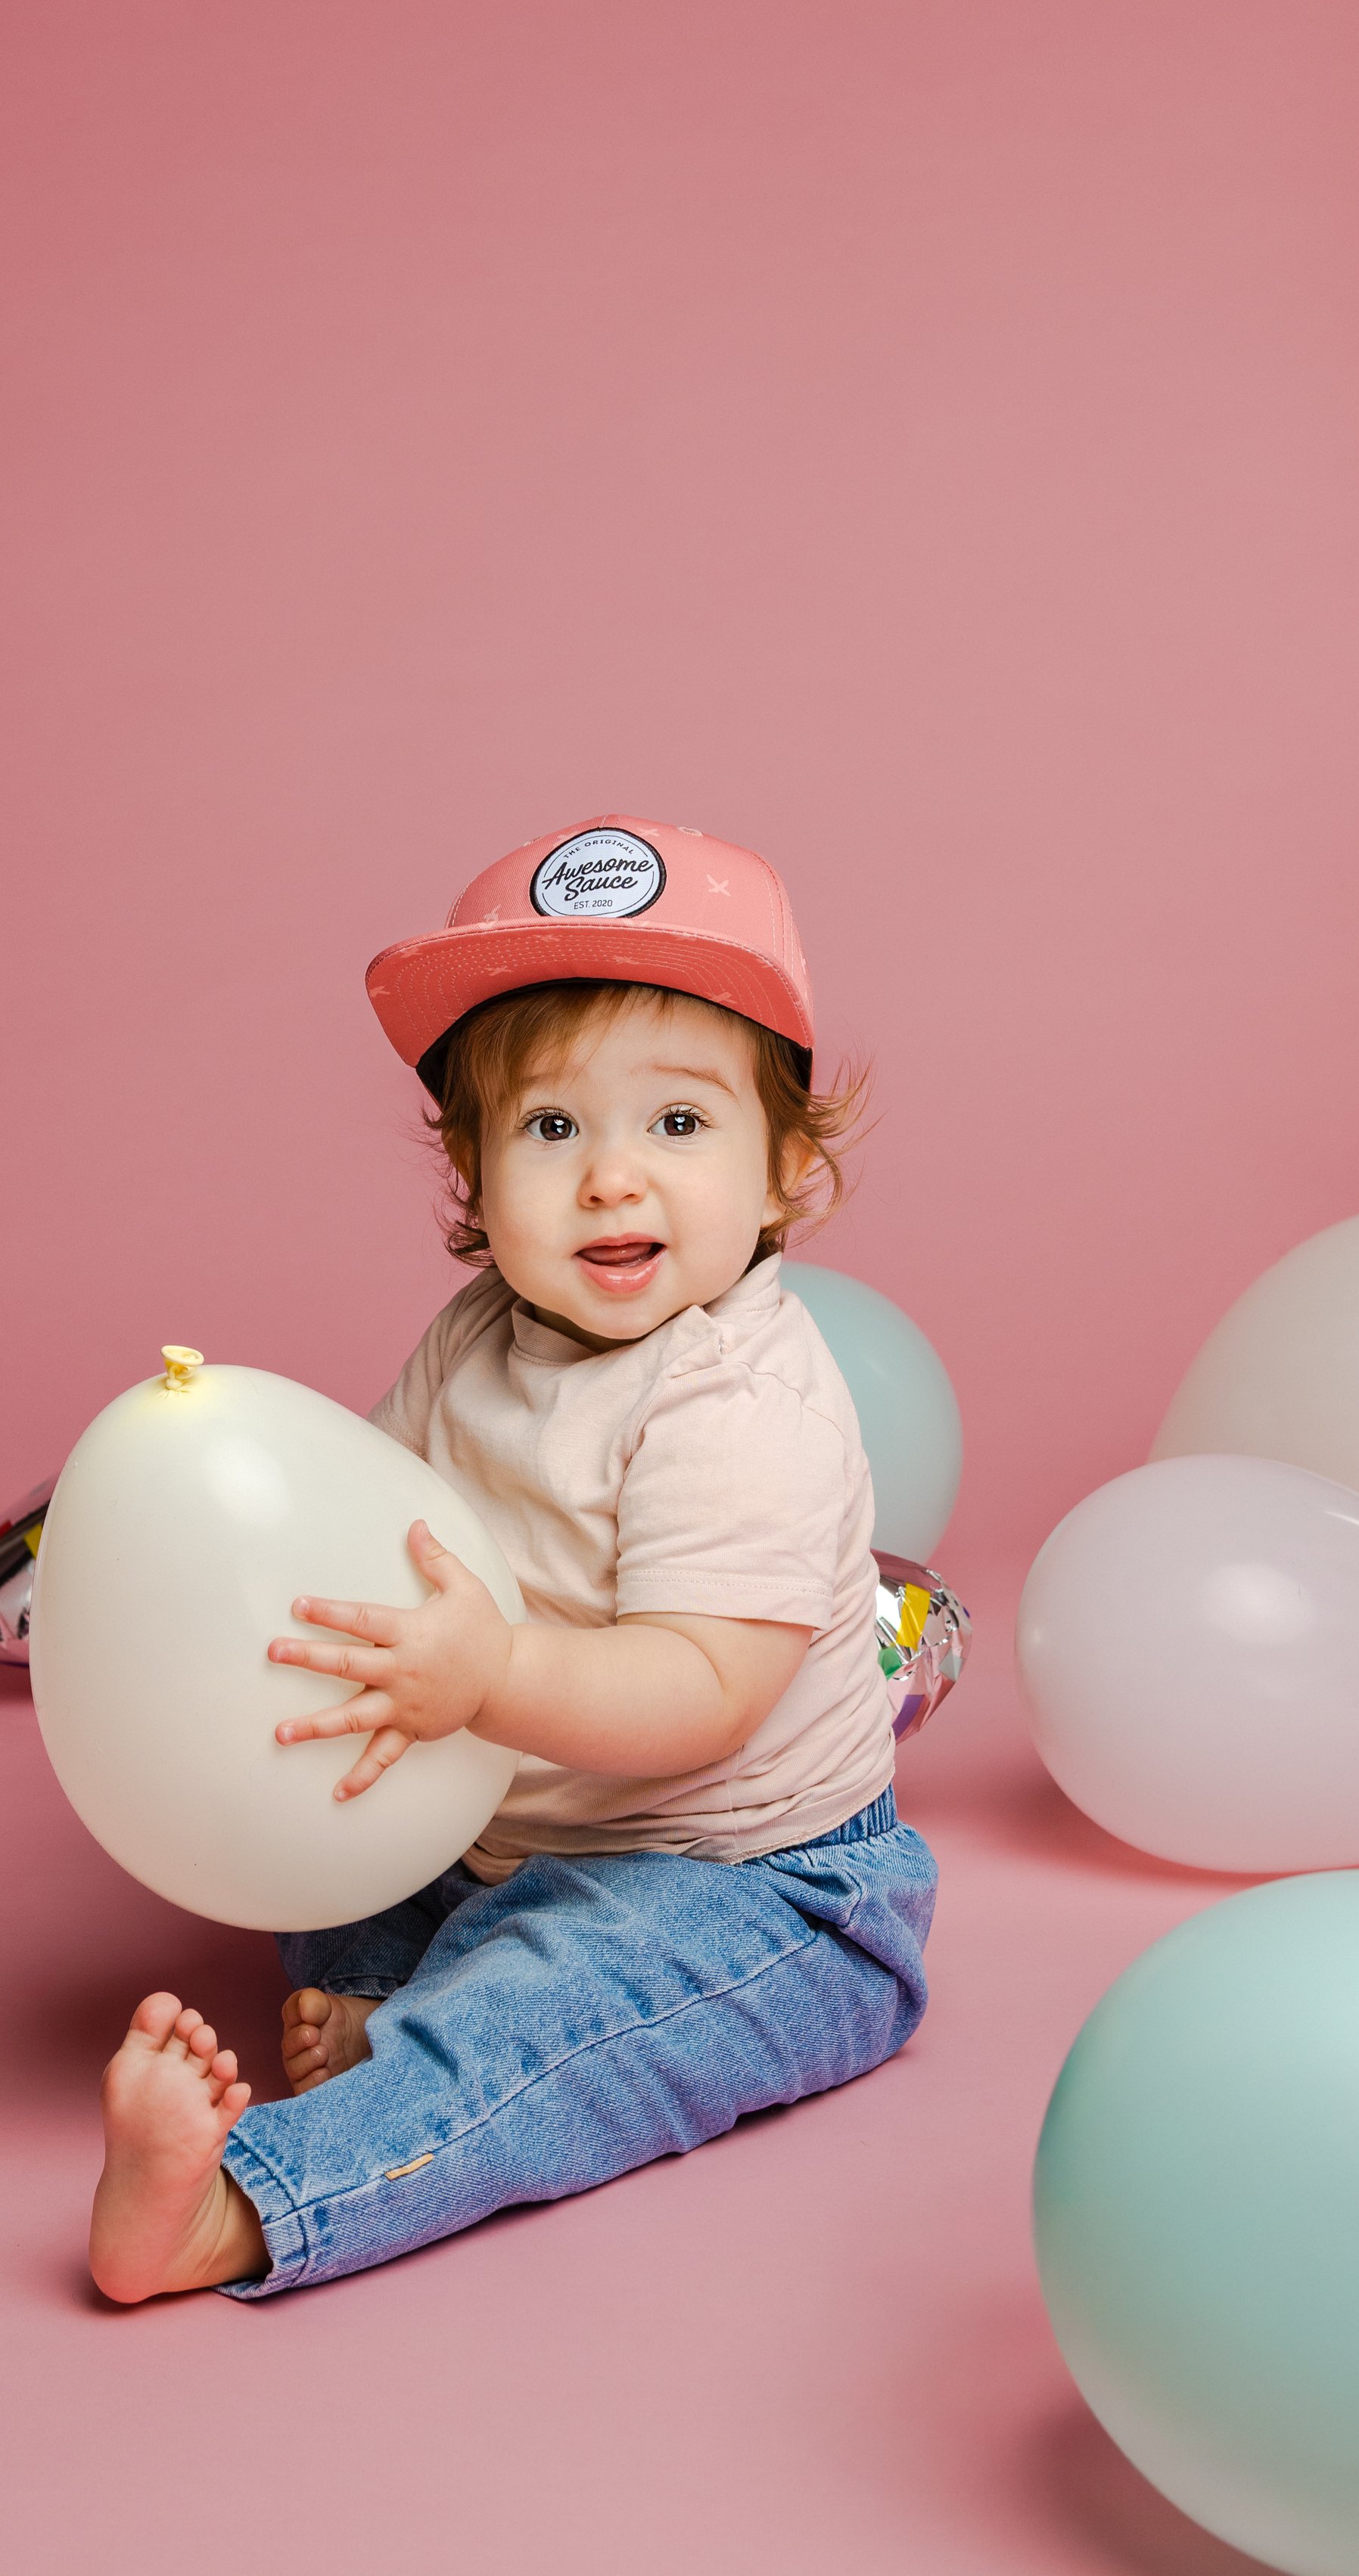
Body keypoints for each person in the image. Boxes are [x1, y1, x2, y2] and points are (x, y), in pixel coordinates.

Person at [87, 816, 938, 2303]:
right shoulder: (474, 1342)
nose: (611, 1179)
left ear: (781, 1167)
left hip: (745, 1890)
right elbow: (359, 1522)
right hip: (508, 1826)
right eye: (551, 1129)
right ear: (470, 1180)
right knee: (327, 1742)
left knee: (541, 2035)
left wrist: (488, 1676)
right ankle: (366, 1993)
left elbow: (700, 1691)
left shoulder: (730, 1400)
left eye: (677, 1125)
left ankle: (243, 2208)